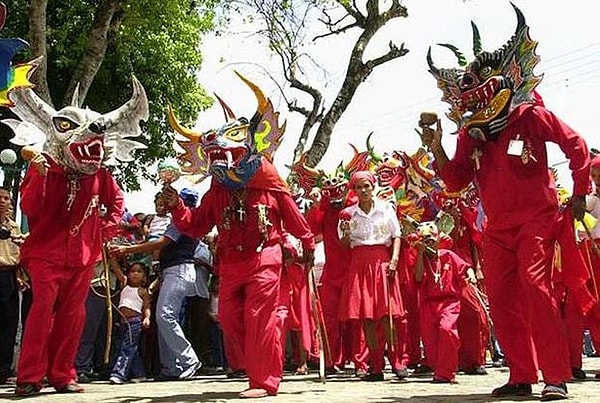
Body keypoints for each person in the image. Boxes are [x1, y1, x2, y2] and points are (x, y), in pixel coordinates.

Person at [422, 5, 590, 400]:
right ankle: (520, 374)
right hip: (495, 228)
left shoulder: (531, 115)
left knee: (536, 287)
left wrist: (580, 191)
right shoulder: (468, 135)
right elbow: (457, 181)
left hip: (537, 218)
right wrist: (438, 150)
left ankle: (555, 377)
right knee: (500, 296)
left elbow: (576, 144)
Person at [162, 160, 315, 398]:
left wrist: (307, 244)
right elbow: (195, 225)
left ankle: (263, 382)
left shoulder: (270, 187)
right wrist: (177, 206)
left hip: (265, 257)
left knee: (259, 318)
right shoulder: (217, 192)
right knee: (228, 317)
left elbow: (295, 219)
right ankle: (258, 360)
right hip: (231, 263)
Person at [110, 188, 202, 381]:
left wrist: (128, 249)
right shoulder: (181, 219)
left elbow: (160, 243)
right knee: (166, 318)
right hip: (173, 271)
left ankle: (188, 360)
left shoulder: (182, 219)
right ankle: (171, 367)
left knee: (164, 315)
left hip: (179, 269)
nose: (168, 202)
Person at [337, 171, 404, 382]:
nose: (363, 191)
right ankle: (376, 365)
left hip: (382, 261)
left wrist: (393, 260)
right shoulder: (348, 214)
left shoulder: (386, 209)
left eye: (366, 186)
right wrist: (346, 233)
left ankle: (397, 361)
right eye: (359, 187)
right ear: (354, 190)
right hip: (359, 263)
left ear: (372, 186)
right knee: (366, 318)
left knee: (387, 316)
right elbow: (344, 244)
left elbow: (397, 235)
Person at [109, 261, 151, 384]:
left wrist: (147, 318)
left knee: (127, 348)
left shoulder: (143, 291)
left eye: (139, 271)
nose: (135, 274)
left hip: (134, 323)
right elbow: (116, 269)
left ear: (144, 276)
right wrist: (113, 257)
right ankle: (140, 373)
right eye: (132, 271)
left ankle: (119, 374)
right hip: (122, 322)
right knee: (130, 348)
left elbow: (146, 307)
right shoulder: (124, 284)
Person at [0, 187, 26, 385]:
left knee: (10, 323)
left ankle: (4, 370)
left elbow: (18, 256)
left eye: (6, 198)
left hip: (9, 276)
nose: (3, 201)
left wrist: (19, 275)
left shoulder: (14, 227)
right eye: (0, 198)